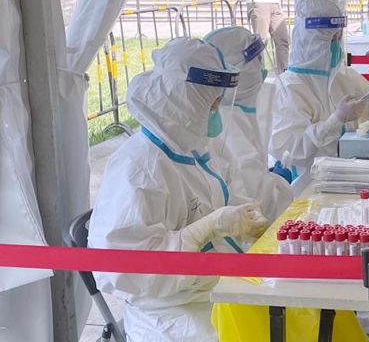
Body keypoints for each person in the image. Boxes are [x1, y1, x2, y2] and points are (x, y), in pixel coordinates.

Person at [89, 38, 268, 342]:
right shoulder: (139, 167)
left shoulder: (196, 146)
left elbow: (227, 195)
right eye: (212, 101)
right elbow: (126, 269)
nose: (216, 108)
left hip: (207, 287)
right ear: (184, 100)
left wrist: (248, 220)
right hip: (167, 313)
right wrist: (205, 230)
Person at [270, 0, 369, 183]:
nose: (338, 45)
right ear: (312, 42)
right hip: (309, 184)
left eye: (339, 37)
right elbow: (291, 149)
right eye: (332, 39)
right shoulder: (290, 88)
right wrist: (335, 121)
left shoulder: (343, 76)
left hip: (352, 172)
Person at [203, 27, 293, 223]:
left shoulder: (236, 112)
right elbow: (259, 204)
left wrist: (268, 177)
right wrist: (280, 183)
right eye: (257, 59)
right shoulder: (229, 126)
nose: (262, 67)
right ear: (238, 70)